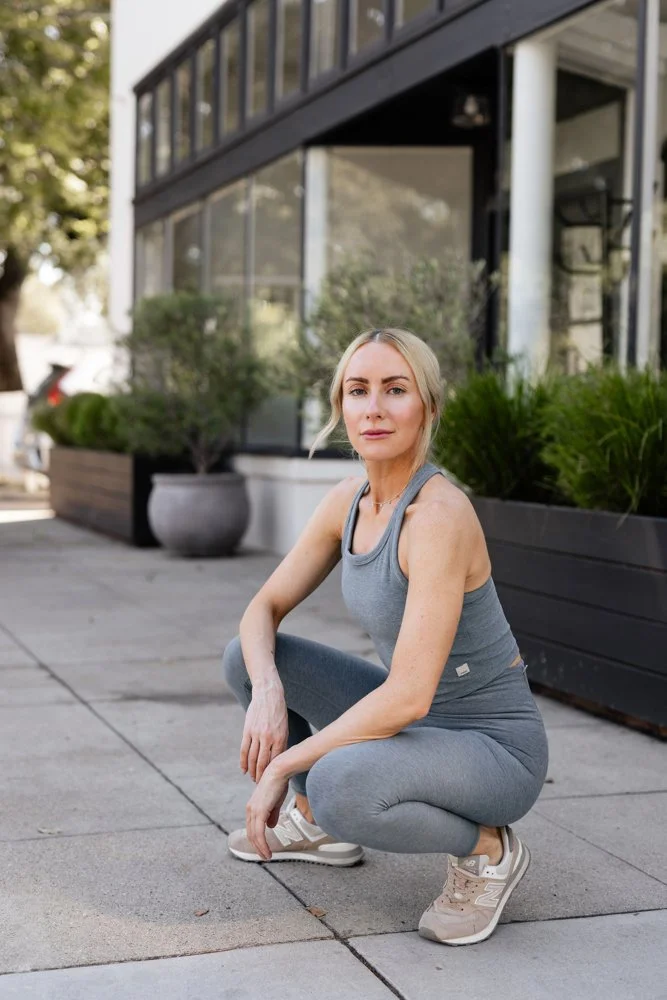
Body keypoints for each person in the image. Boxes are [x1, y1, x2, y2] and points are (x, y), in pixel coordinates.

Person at [222, 327, 549, 947]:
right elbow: (263, 607)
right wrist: (267, 690)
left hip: (493, 748)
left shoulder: (438, 517)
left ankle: (488, 849)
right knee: (248, 657)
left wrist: (287, 763)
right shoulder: (348, 500)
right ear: (340, 407)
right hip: (415, 723)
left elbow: (408, 698)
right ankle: (318, 825)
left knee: (338, 784)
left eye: (395, 390)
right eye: (358, 390)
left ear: (428, 406)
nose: (373, 407)